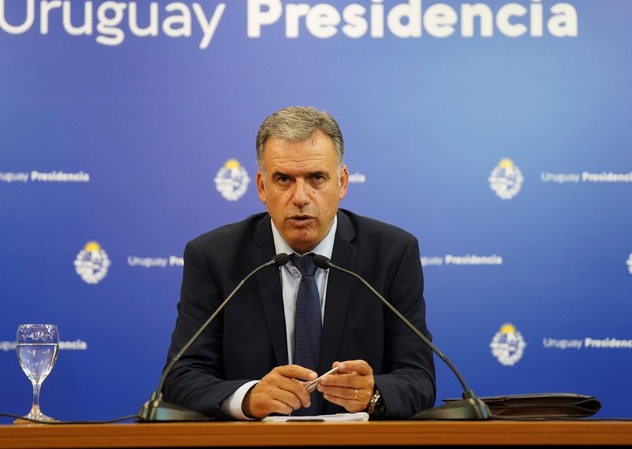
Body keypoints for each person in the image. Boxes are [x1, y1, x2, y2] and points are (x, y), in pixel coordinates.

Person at [161, 106, 436, 420]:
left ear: (342, 182)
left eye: (317, 178)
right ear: (262, 187)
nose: (301, 197)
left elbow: (419, 378)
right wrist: (249, 397)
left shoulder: (391, 253)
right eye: (283, 180)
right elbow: (181, 377)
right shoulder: (214, 256)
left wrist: (373, 394)